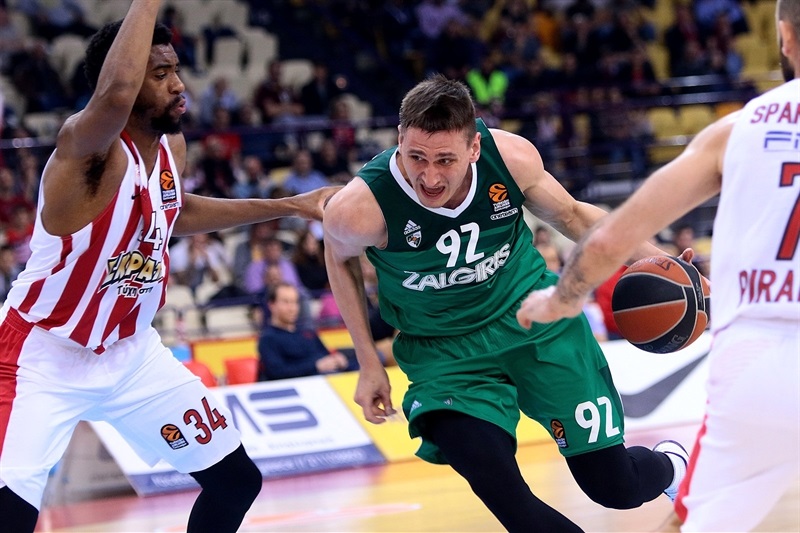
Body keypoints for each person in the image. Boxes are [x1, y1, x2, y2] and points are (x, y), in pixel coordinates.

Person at [0, 3, 336, 532]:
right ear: (125, 81)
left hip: (131, 353)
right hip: (41, 352)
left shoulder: (169, 148)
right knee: (10, 512)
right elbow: (114, 96)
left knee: (236, 480)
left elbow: (175, 210)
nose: (179, 85)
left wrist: (291, 205)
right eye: (160, 74)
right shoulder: (86, 148)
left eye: (176, 70)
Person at [323, 74, 688, 532]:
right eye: (416, 157)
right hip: (445, 355)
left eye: (445, 160)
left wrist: (666, 264)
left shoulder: (510, 160)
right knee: (507, 497)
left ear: (474, 147)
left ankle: (673, 465)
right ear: (399, 139)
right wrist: (367, 361)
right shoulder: (359, 208)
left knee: (616, 488)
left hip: (536, 323)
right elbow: (338, 259)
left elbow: (575, 216)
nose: (429, 177)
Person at [516, 1, 800, 531]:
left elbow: (611, 237)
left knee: (690, 523)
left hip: (756, 357)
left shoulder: (737, 130)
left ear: (783, 36)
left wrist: (562, 298)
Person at [257, 282, 357, 380]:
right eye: (286, 302)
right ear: (272, 305)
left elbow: (325, 355)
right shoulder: (268, 339)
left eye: (295, 302)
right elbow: (278, 372)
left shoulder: (308, 332)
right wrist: (316, 366)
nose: (292, 308)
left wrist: (337, 360)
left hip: (330, 378)